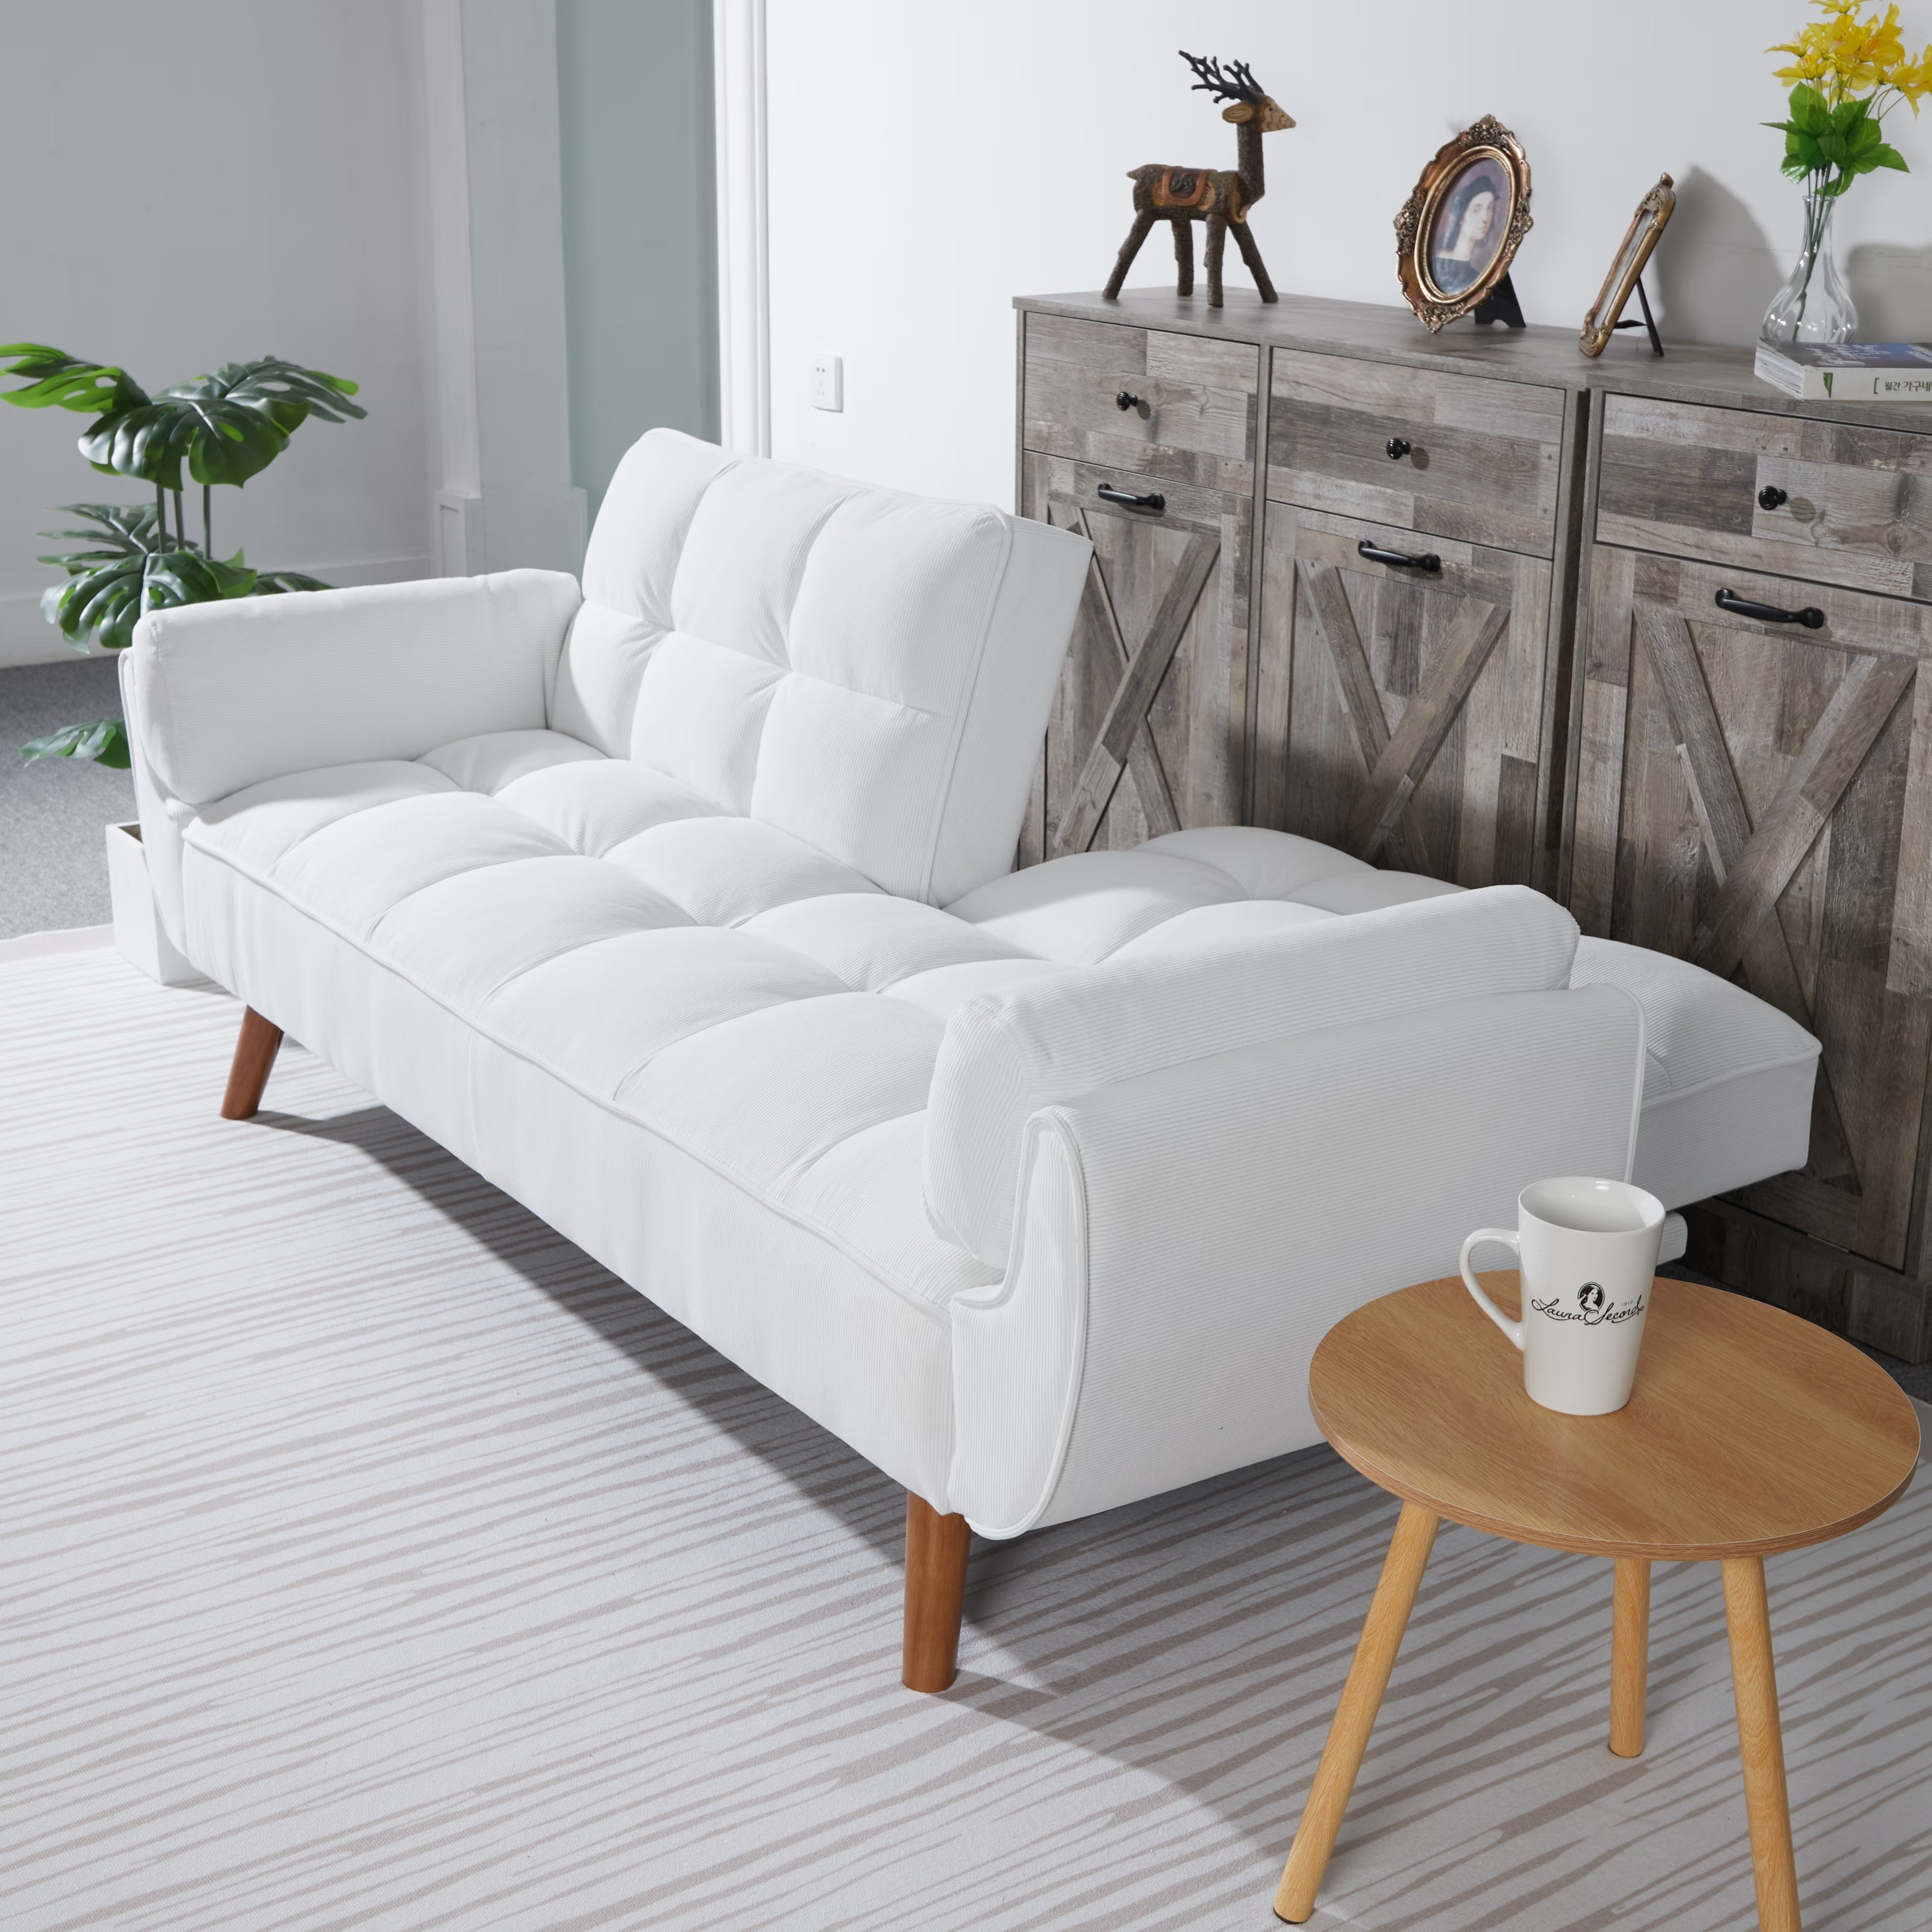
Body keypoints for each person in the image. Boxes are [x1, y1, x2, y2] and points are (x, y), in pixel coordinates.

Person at [1430, 173, 1501, 294]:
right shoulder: (1438, 264)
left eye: (1490, 209)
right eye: (1477, 210)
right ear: (1461, 216)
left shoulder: (1477, 276)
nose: (1485, 218)